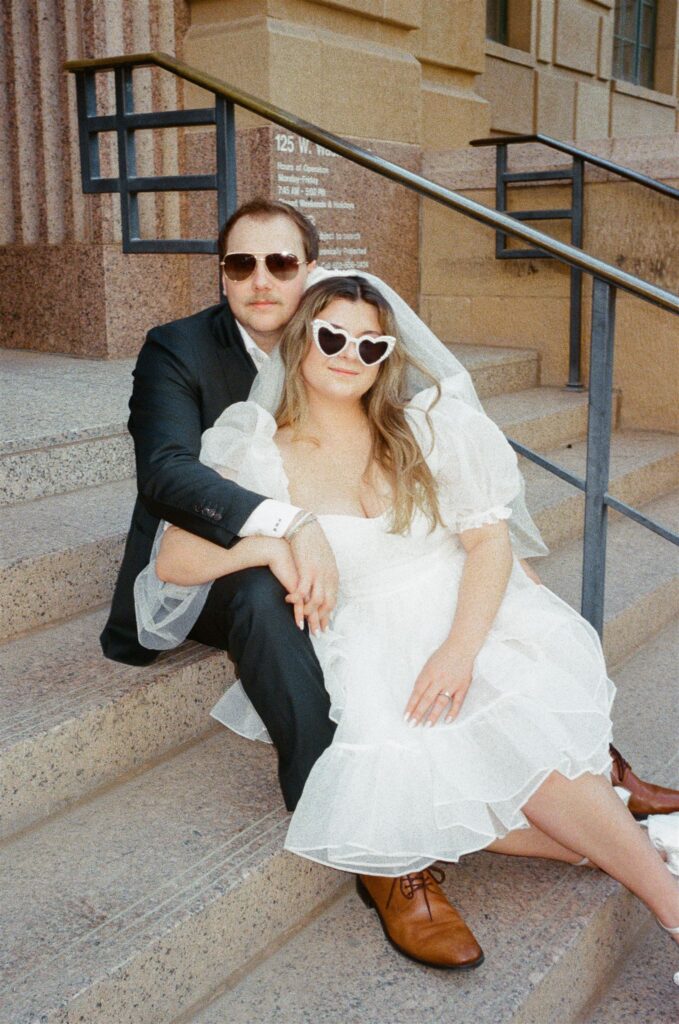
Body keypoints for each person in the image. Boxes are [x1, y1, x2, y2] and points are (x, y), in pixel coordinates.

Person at [105, 197, 679, 968]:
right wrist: (270, 544)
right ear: (303, 335)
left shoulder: (422, 426)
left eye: (368, 346)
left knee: (504, 718)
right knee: (431, 772)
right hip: (366, 633)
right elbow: (172, 542)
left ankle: (663, 896)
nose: (347, 354)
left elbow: (484, 541)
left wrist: (463, 645)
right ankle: (621, 843)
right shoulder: (247, 434)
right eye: (332, 337)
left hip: (452, 613)